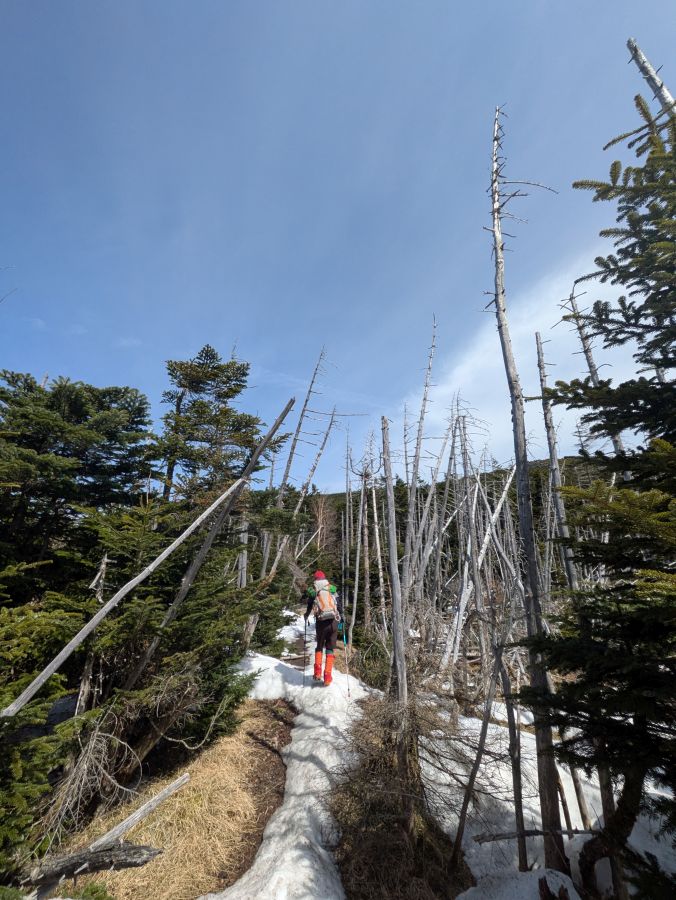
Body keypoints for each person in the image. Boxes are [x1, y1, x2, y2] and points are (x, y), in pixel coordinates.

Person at [303, 570, 342, 686]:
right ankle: (327, 677)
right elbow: (338, 604)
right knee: (330, 648)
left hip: (321, 623)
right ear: (324, 579)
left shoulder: (313, 590)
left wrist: (306, 615)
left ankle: (317, 673)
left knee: (319, 646)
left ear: (315, 579)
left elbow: (310, 605)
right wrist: (342, 617)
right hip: (333, 622)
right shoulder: (331, 588)